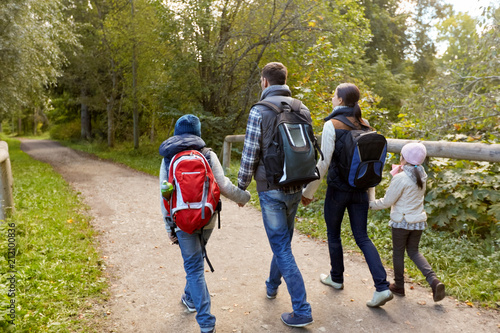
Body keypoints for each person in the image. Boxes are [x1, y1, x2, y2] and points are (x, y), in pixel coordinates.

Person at [301, 83, 393, 308]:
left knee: (334, 234)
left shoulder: (332, 124)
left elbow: (324, 162)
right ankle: (382, 287)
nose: (332, 98)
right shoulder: (366, 125)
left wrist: (308, 192)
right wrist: (371, 197)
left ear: (340, 100)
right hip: (360, 191)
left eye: (334, 95)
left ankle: (337, 277)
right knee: (362, 237)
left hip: (338, 191)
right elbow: (370, 166)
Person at [237, 62, 313, 327]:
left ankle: (302, 309)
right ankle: (272, 285)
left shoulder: (259, 111)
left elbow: (250, 154)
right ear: (284, 80)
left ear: (265, 82)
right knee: (283, 245)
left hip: (270, 189)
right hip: (295, 185)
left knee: (281, 247)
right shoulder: (302, 108)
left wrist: (241, 187)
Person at [159, 114, 251, 333]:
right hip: (206, 216)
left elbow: (163, 195)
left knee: (193, 267)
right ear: (198, 133)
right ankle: (190, 298)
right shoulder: (207, 154)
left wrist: (168, 226)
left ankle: (207, 323)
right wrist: (244, 198)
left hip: (181, 220)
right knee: (196, 262)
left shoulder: (168, 157)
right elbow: (225, 186)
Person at [369, 142, 445, 302]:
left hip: (402, 222)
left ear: (403, 157)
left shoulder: (401, 178)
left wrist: (371, 202)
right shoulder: (421, 175)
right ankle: (434, 280)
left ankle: (399, 285)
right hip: (417, 222)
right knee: (414, 252)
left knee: (398, 253)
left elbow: (387, 201)